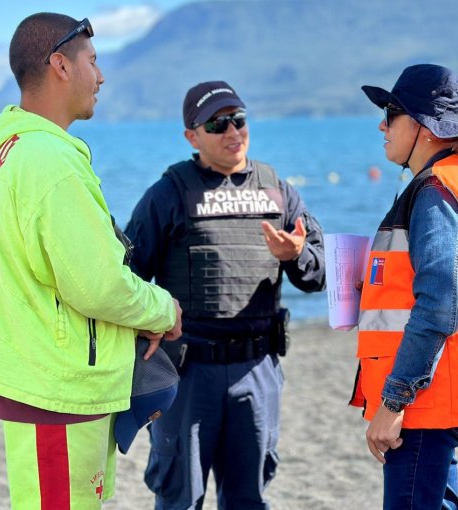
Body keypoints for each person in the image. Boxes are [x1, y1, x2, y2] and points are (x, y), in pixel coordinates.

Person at [0, 13, 182, 509]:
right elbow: (97, 285)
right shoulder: (47, 162)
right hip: (53, 387)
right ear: (60, 64)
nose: (100, 77)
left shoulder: (16, 152)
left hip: (44, 379)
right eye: (93, 62)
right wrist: (164, 310)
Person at [124, 81, 326, 509]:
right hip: (188, 373)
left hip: (258, 369)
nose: (233, 132)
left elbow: (320, 276)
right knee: (182, 497)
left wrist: (296, 255)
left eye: (239, 119)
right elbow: (126, 280)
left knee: (249, 498)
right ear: (192, 136)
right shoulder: (168, 194)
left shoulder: (278, 191)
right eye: (217, 124)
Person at [349, 64, 458, 509]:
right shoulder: (454, 183)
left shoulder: (437, 191)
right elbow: (434, 289)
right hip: (439, 392)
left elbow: (438, 307)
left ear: (424, 126)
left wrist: (393, 401)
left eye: (392, 113)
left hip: (424, 399)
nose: (382, 125)